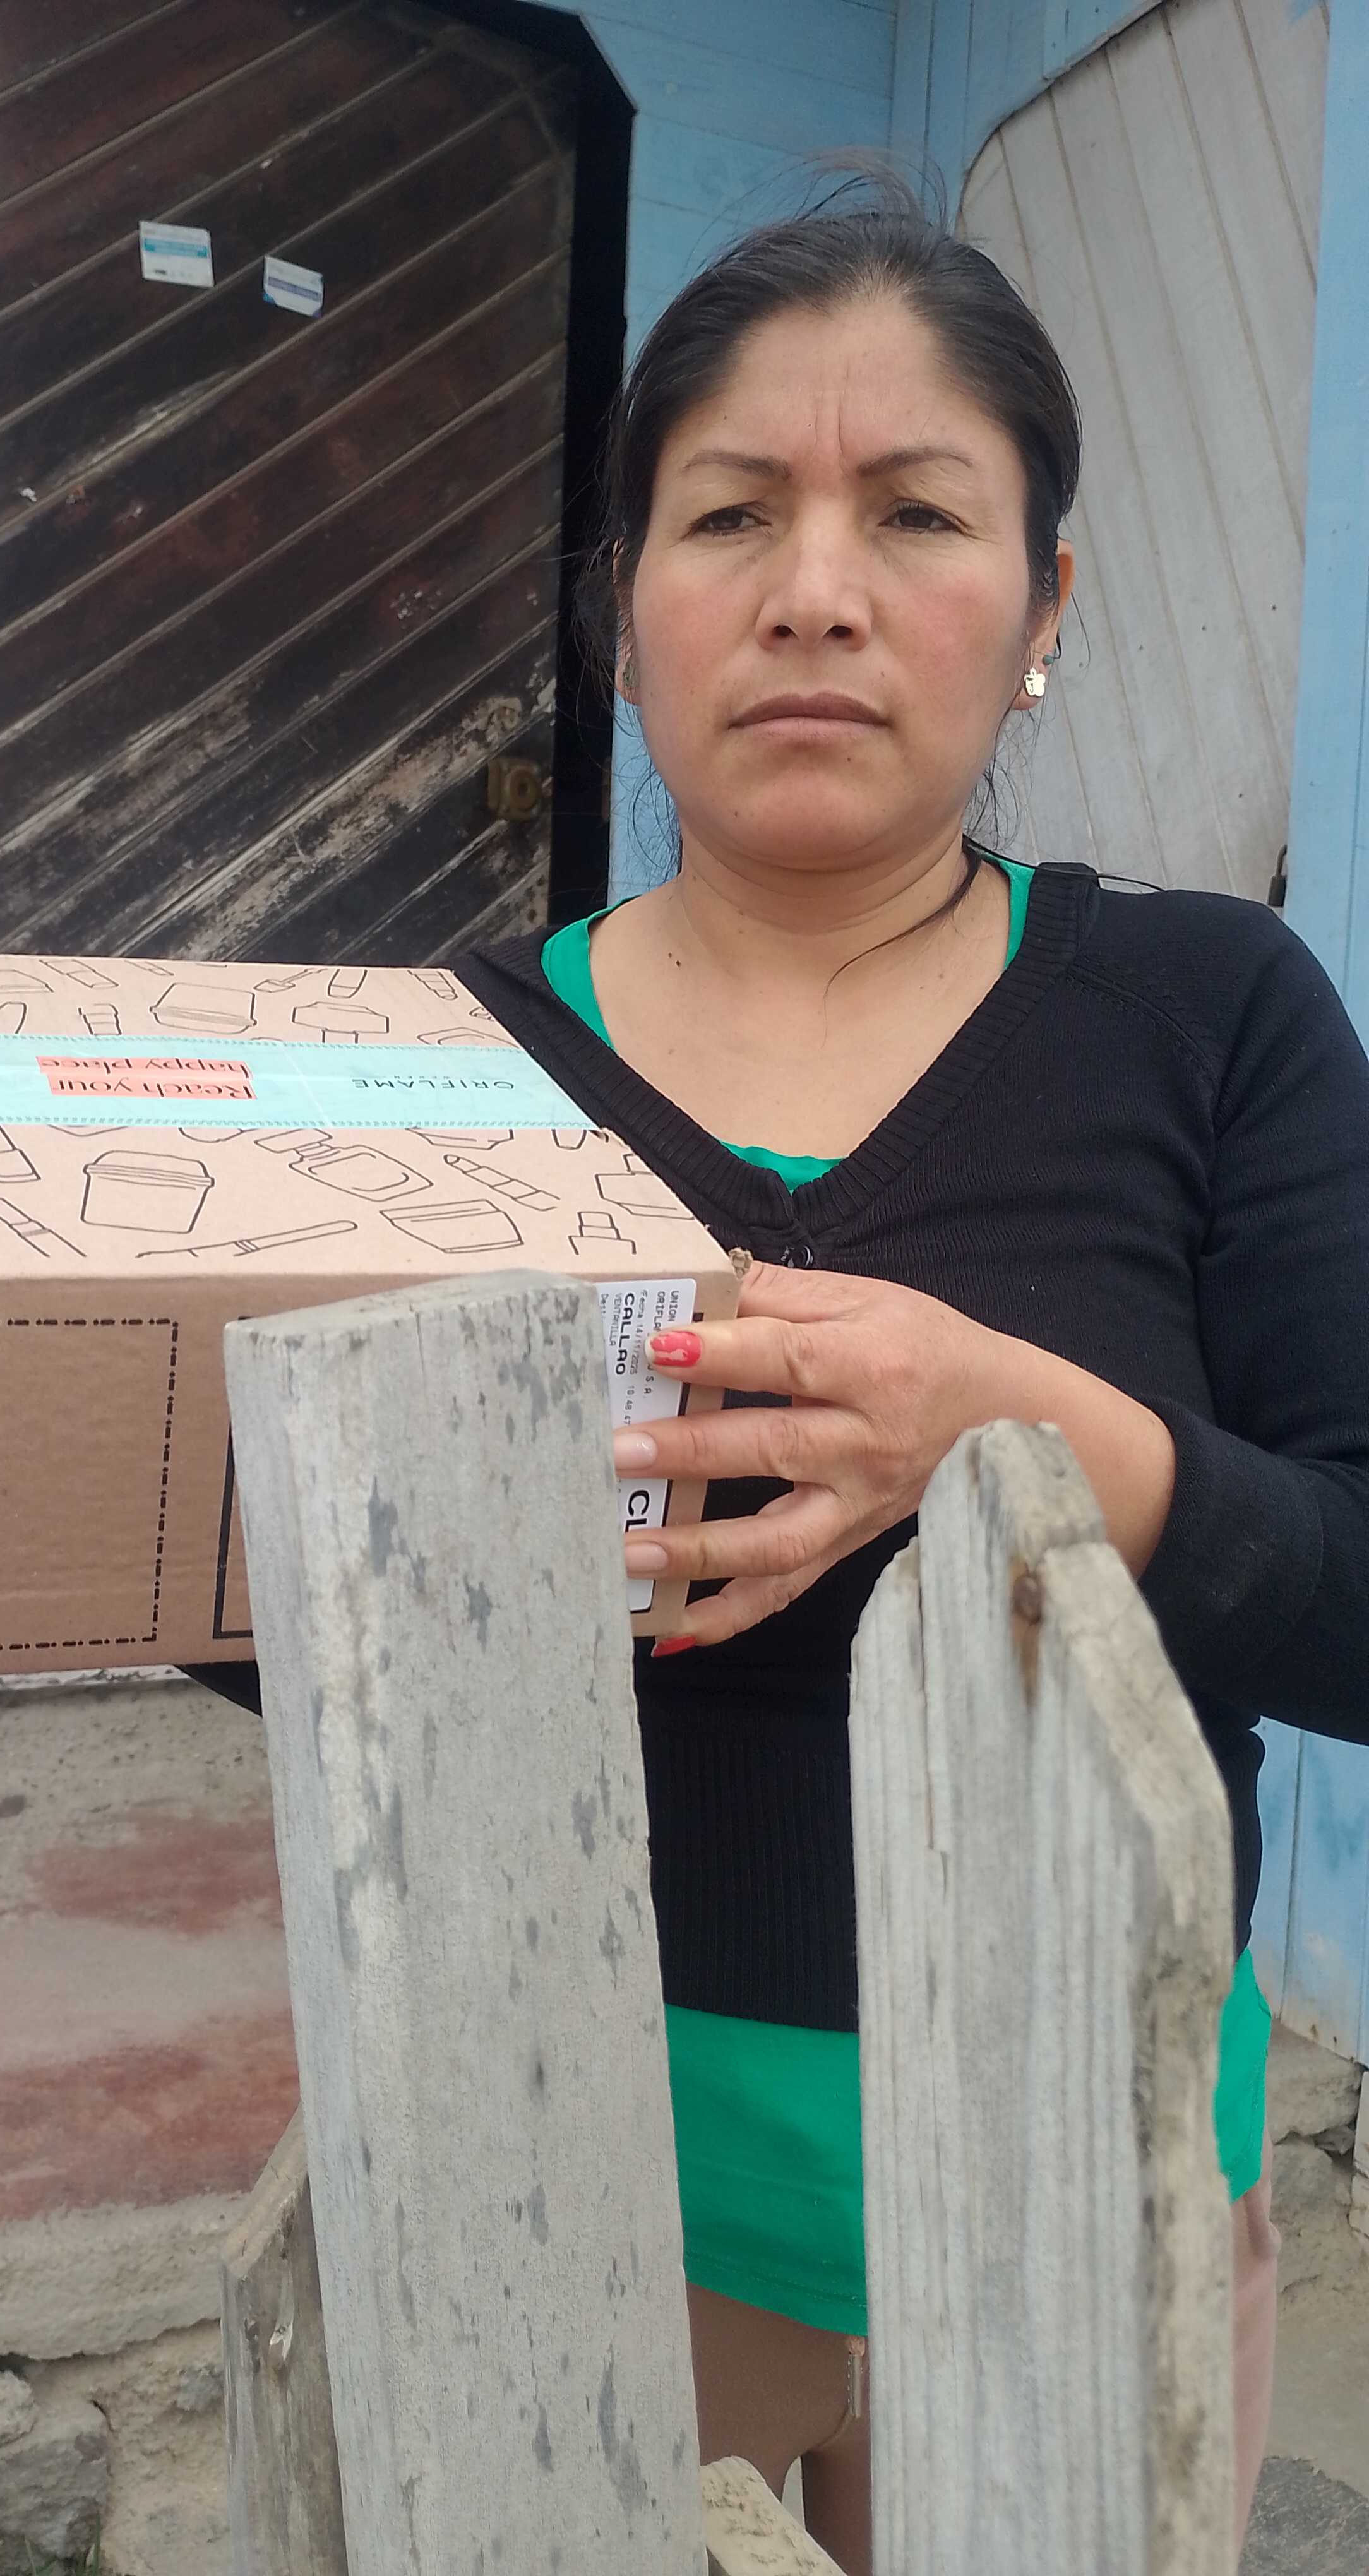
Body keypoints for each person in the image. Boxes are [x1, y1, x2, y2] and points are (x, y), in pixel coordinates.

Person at [451, 180, 1369, 2567]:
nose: (817, 592)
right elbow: (263, 1617)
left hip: (1086, 2172)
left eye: (919, 515)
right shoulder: (438, 1073)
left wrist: (1031, 1446)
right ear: (627, 606)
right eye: (731, 512)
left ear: (1045, 608)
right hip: (561, 2171)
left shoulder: (1211, 1017)